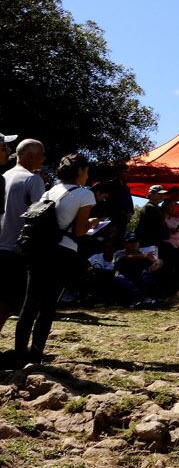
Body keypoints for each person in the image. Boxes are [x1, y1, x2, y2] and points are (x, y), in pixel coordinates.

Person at [14, 152, 94, 364]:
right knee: (48, 305)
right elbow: (78, 231)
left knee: (29, 303)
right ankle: (36, 354)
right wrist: (91, 224)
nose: (87, 176)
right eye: (86, 171)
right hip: (62, 252)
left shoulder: (49, 192)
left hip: (37, 250)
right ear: (79, 172)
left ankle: (19, 354)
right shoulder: (85, 194)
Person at [1, 139, 45, 335]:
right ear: (29, 156)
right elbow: (41, 215)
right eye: (41, 155)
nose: (43, 159)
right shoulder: (33, 180)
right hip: (15, 249)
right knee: (7, 302)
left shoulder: (5, 175)